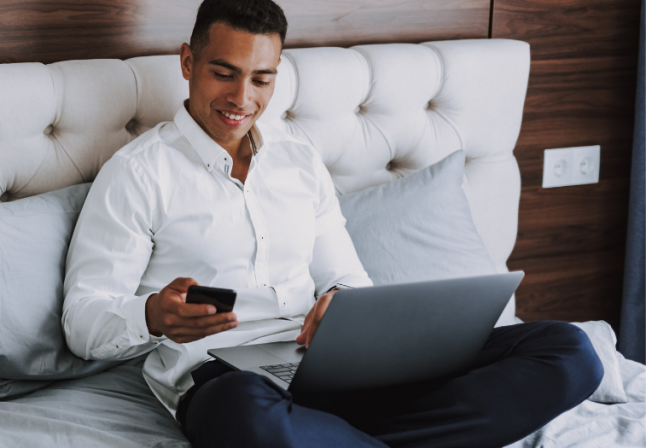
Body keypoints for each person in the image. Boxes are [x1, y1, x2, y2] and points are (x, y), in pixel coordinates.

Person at [62, 0, 604, 446]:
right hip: (229, 380)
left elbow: (346, 277)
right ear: (187, 61)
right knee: (244, 416)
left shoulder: (298, 157)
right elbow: (83, 323)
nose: (241, 99)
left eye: (261, 79)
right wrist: (153, 315)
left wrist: (340, 303)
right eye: (223, 73)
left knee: (570, 351)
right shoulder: (137, 173)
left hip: (335, 366)